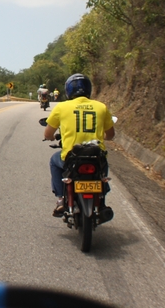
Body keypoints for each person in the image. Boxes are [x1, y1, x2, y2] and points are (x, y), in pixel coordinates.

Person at [43, 74, 115, 216]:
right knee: (102, 167)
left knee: (54, 161)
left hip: (71, 158)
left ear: (68, 90)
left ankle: (60, 200)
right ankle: (102, 200)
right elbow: (111, 135)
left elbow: (47, 134)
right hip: (95, 156)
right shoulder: (101, 107)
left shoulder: (61, 107)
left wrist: (51, 137)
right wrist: (104, 136)